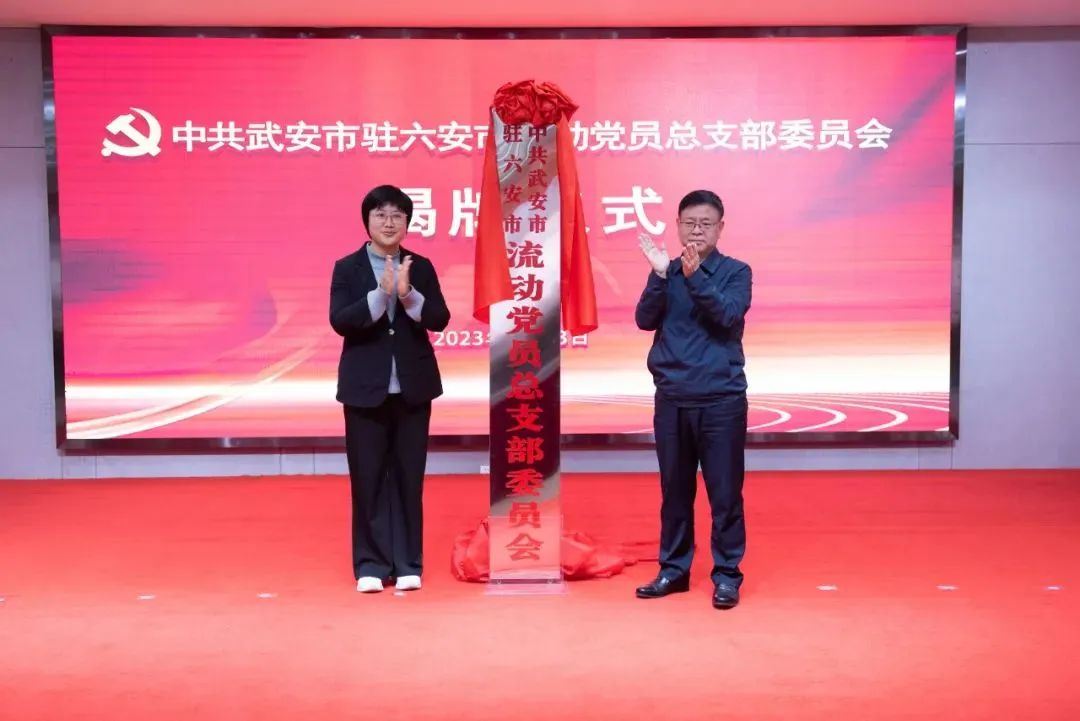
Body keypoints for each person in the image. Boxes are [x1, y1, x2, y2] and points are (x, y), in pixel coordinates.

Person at [633, 189, 752, 609]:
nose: (697, 230)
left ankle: (727, 575)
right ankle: (674, 569)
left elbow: (727, 315)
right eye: (689, 223)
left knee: (725, 493)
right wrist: (659, 276)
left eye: (705, 224)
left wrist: (695, 275)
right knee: (675, 492)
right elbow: (644, 319)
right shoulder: (667, 272)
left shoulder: (736, 272)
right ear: (678, 226)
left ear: (720, 228)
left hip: (721, 401)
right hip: (672, 399)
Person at [329, 184, 450, 593]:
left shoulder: (421, 266)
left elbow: (439, 319)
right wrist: (382, 294)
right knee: (367, 479)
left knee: (408, 478)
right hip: (364, 389)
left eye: (398, 215)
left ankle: (407, 563)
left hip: (413, 388)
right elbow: (341, 321)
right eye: (380, 214)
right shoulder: (347, 268)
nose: (389, 222)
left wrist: (408, 294)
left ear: (407, 223)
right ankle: (370, 565)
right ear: (367, 221)